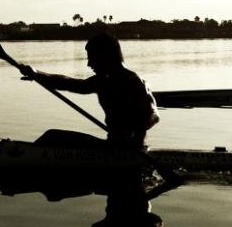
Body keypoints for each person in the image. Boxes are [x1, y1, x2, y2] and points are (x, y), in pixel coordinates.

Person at [18, 32, 159, 149]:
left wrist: (133, 131)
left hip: (129, 151)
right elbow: (68, 83)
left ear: (105, 56)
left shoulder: (134, 82)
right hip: (112, 146)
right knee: (52, 136)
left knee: (52, 137)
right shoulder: (102, 81)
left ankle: (24, 158)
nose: (89, 64)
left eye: (92, 58)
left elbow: (154, 115)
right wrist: (36, 74)